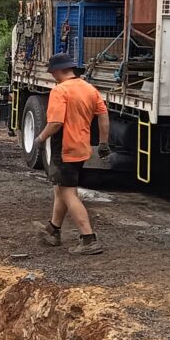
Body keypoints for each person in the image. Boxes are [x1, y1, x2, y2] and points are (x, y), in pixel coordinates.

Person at [34, 52, 110, 254]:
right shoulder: (90, 89)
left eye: (52, 72)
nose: (52, 76)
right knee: (61, 188)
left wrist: (40, 139)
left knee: (68, 193)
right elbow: (103, 117)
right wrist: (103, 143)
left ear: (59, 70)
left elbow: (56, 123)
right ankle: (53, 229)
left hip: (66, 149)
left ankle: (88, 239)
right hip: (82, 148)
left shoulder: (60, 91)